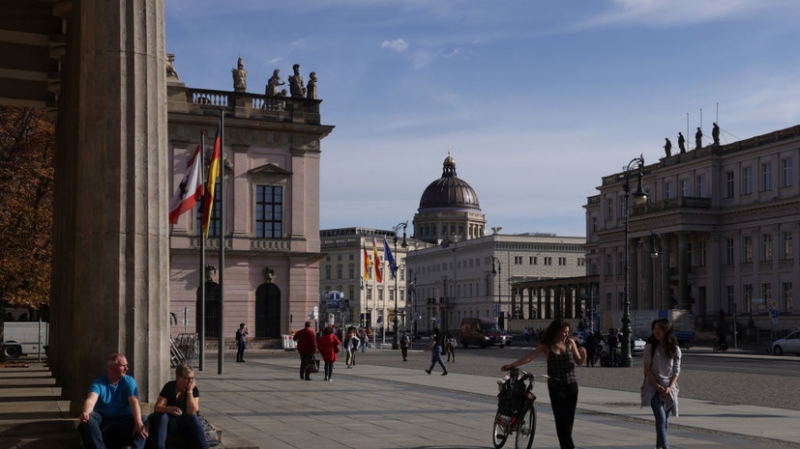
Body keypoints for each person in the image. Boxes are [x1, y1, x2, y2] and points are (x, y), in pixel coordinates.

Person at [501, 319, 586, 449]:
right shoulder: (546, 345)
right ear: (556, 331)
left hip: (571, 385)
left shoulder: (570, 342)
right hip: (556, 386)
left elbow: (579, 361)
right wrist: (512, 365)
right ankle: (568, 446)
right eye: (563, 332)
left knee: (569, 419)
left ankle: (565, 444)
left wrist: (583, 355)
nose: (566, 334)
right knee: (561, 418)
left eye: (567, 332)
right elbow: (529, 357)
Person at [77, 353, 149, 449]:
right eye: (123, 366)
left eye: (126, 365)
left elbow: (134, 403)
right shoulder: (99, 383)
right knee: (89, 418)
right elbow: (90, 400)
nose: (127, 368)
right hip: (104, 423)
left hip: (123, 421)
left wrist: (138, 422)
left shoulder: (129, 381)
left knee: (143, 419)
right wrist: (85, 412)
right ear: (111, 368)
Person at [641, 319, 682, 449]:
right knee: (661, 418)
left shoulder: (675, 349)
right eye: (654, 329)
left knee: (665, 422)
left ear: (666, 330)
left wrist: (670, 387)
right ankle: (665, 447)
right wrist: (657, 386)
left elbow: (676, 371)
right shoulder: (650, 347)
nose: (656, 332)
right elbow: (647, 369)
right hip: (653, 387)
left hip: (670, 388)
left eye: (659, 329)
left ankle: (658, 447)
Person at [148, 363, 209, 449]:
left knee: (193, 417)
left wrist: (189, 392)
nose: (191, 381)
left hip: (184, 422)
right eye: (187, 378)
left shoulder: (193, 389)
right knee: (162, 416)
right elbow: (157, 407)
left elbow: (193, 411)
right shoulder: (169, 387)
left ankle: (204, 447)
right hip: (170, 421)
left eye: (192, 378)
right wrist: (169, 409)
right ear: (178, 378)